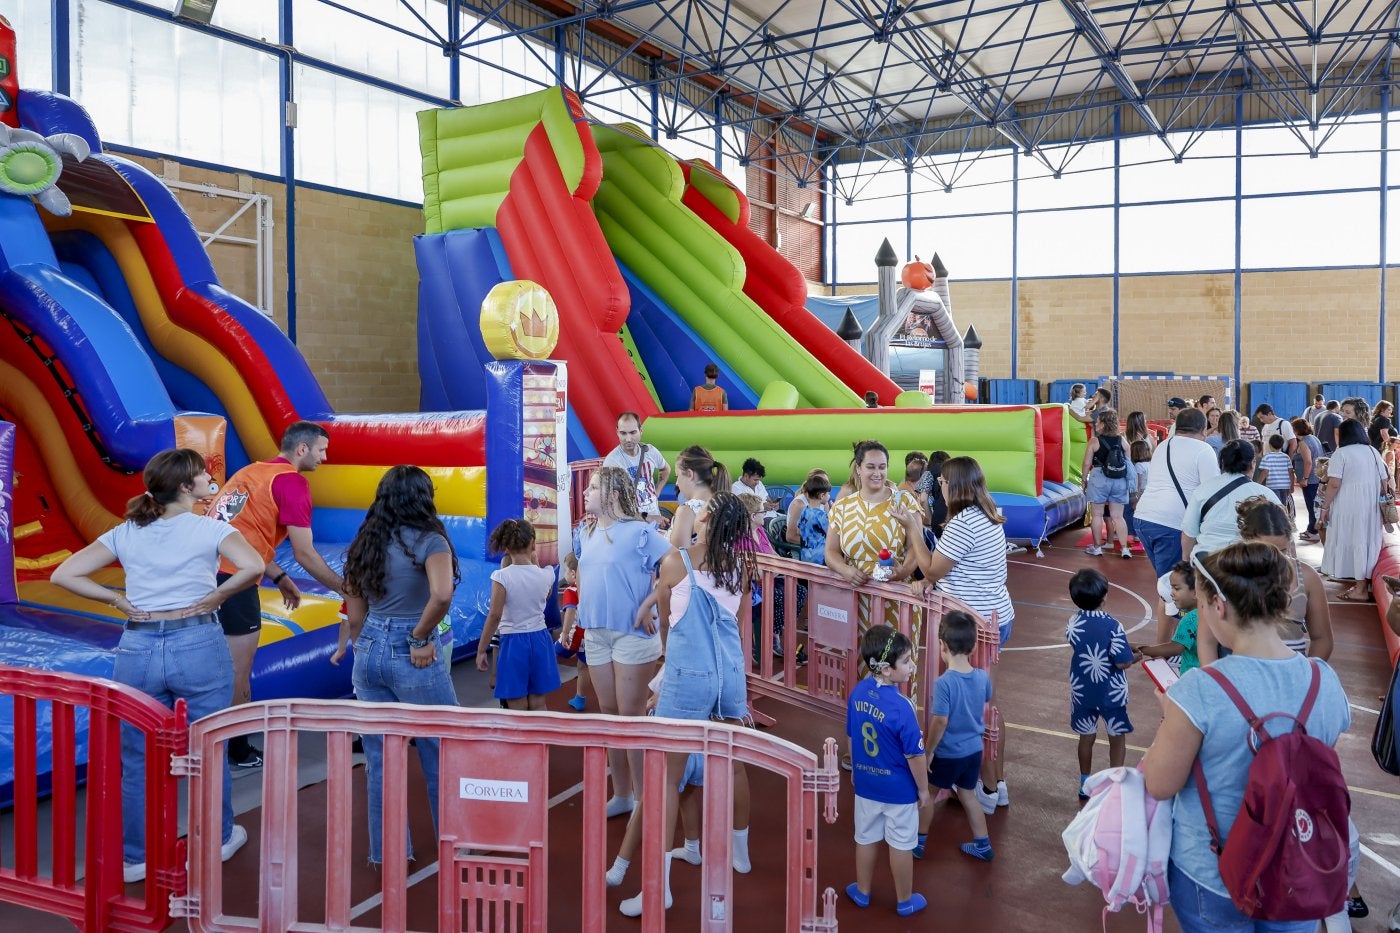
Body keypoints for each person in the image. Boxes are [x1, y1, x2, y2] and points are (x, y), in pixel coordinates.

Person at [51, 449, 263, 882]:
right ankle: (218, 838)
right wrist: (218, 597)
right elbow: (254, 566)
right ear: (186, 487)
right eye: (203, 476)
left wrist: (116, 599)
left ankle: (137, 857)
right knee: (210, 745)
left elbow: (64, 575)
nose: (209, 480)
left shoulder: (126, 532)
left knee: (138, 756)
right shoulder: (210, 528)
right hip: (198, 639)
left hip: (138, 646)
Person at [1142, 542, 1351, 933]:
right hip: (1296, 863)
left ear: (1218, 608)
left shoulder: (1199, 689)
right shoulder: (1323, 680)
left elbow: (1159, 783)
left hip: (1212, 871)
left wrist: (1168, 716)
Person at [614, 493, 753, 916]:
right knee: (734, 763)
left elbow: (666, 621)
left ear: (706, 519)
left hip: (687, 676)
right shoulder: (742, 567)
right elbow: (737, 626)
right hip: (729, 677)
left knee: (666, 779)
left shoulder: (677, 561)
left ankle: (658, 889)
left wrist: (665, 666)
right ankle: (740, 853)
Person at [332, 464, 459, 865]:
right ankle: (453, 845)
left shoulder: (366, 541)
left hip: (369, 649)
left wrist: (365, 645)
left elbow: (354, 612)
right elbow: (441, 595)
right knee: (442, 749)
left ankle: (387, 852)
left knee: (380, 759)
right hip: (412, 648)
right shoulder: (431, 540)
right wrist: (419, 637)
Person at [208, 420, 343, 770]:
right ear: (302, 449)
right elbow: (306, 553)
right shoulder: (292, 482)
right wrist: (346, 589)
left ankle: (209, 740)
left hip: (204, 573)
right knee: (239, 670)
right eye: (321, 450)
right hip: (234, 579)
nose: (324, 458)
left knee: (215, 664)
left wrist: (279, 576)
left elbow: (240, 533)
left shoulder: (250, 473)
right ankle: (236, 750)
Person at [897, 456, 1013, 810]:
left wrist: (914, 529)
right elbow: (955, 571)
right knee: (985, 701)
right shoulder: (988, 515)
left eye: (944, 482)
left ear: (955, 486)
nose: (941, 486)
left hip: (972, 624)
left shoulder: (964, 523)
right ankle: (995, 784)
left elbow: (931, 569)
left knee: (975, 707)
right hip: (995, 616)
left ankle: (987, 789)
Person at [577, 467, 673, 819]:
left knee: (631, 717)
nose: (586, 492)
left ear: (614, 494)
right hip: (597, 633)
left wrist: (650, 604)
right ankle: (622, 794)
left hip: (632, 635)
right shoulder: (586, 532)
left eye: (593, 487)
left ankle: (645, 797)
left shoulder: (640, 532)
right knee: (609, 715)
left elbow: (674, 566)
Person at [844, 625, 929, 918]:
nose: (912, 666)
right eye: (906, 661)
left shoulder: (858, 693)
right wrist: (923, 789)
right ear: (886, 669)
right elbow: (915, 755)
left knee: (865, 837)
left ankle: (862, 891)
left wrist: (856, 769)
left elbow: (852, 736)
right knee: (902, 844)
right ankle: (905, 900)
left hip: (867, 784)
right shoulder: (902, 707)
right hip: (899, 791)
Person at [915, 610, 993, 863]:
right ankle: (982, 843)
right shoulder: (982, 677)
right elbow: (987, 699)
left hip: (949, 753)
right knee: (969, 795)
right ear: (972, 648)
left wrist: (928, 752)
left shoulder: (945, 683)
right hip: (974, 751)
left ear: (942, 646)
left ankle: (918, 841)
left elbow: (940, 721)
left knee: (928, 792)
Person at [826, 441, 920, 629]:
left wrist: (903, 572)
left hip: (896, 598)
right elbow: (830, 552)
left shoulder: (905, 501)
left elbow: (916, 548)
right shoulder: (843, 507)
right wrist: (846, 571)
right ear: (858, 469)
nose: (877, 473)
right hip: (852, 596)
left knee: (895, 657)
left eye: (882, 467)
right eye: (870, 467)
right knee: (856, 656)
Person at [476, 519, 560, 711]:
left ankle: (522, 741)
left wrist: (481, 650)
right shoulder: (547, 574)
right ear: (533, 544)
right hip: (540, 639)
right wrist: (534, 558)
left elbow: (495, 615)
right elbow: (545, 595)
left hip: (513, 642)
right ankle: (540, 741)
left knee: (516, 702)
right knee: (539, 701)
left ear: (506, 547)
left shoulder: (502, 576)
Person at [1065, 569, 1134, 800]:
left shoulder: (1073, 622)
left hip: (1082, 688)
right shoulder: (1113, 625)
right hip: (1110, 691)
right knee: (1116, 735)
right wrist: (1138, 655)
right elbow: (1123, 662)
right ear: (1104, 597)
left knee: (1086, 736)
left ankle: (1085, 781)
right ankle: (1115, 781)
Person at [1131, 408, 1220, 577]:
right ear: (1203, 429)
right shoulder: (1203, 449)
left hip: (1143, 519)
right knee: (1175, 584)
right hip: (1171, 523)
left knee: (1167, 580)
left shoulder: (1163, 445)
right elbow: (1211, 490)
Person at [1321, 419, 1391, 601]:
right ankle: (1361, 584)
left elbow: (1334, 484)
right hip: (1371, 506)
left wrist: (1324, 507)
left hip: (1348, 505)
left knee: (1352, 539)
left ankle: (1360, 589)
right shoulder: (1373, 451)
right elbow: (1384, 481)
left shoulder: (1341, 453)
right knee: (1365, 541)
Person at [1180, 440, 1273, 558]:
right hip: (1249, 564)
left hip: (1207, 563)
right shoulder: (1265, 494)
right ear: (1253, 463)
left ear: (1223, 463)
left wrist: (1186, 560)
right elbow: (1282, 534)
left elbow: (1189, 532)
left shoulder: (1203, 490)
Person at [1082, 408, 1133, 558]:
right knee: (1118, 516)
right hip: (1119, 480)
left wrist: (1084, 479)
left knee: (1097, 515)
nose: (1096, 423)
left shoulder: (1094, 441)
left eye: (1098, 421)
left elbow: (1086, 463)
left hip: (1099, 477)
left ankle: (1097, 547)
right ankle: (1124, 549)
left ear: (1103, 424)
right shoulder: (1122, 440)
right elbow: (1128, 462)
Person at [602, 412, 670, 525]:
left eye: (633, 432)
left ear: (641, 431)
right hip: (630, 522)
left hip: (654, 518)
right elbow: (608, 498)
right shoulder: (612, 461)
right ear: (617, 432)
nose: (628, 439)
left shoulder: (650, 451)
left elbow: (666, 469)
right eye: (623, 433)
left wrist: (657, 491)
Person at [1135, 561, 1200, 674]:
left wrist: (1141, 649)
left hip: (1192, 677)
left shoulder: (1189, 620)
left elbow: (1175, 647)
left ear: (1195, 592)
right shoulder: (1209, 613)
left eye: (1176, 588)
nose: (1171, 593)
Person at [670, 445, 730, 547]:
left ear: (689, 474)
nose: (677, 483)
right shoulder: (725, 505)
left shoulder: (687, 511)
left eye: (678, 476)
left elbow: (678, 559)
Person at [554, 552, 589, 711]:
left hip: (576, 635)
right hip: (590, 636)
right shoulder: (590, 588)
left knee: (553, 651)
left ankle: (541, 680)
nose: (564, 575)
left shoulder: (570, 590)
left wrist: (565, 633)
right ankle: (580, 697)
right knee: (583, 666)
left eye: (565, 571)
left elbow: (570, 612)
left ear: (573, 573)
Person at [785, 469, 831, 564]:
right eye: (822, 482)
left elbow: (800, 529)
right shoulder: (799, 505)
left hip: (808, 553)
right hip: (810, 553)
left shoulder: (822, 504)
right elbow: (790, 537)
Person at [1291, 417, 1323, 541]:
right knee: (1315, 506)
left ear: (1296, 430)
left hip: (1310, 480)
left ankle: (1313, 532)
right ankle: (1312, 528)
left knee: (1312, 506)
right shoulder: (1314, 438)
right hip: (1317, 478)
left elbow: (1308, 462)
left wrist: (1305, 478)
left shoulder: (1304, 443)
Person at [914, 450, 951, 533]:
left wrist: (931, 520)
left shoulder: (928, 473)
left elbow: (923, 499)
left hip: (940, 515)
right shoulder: (954, 471)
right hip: (956, 515)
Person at [1256, 434, 1295, 510]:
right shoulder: (1286, 457)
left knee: (1275, 505)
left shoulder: (1267, 457)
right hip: (1285, 486)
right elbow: (1291, 472)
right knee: (1283, 505)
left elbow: (1265, 472)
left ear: (1270, 445)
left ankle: (1278, 520)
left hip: (1272, 485)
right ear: (1282, 445)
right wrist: (1292, 485)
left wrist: (1258, 483)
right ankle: (1284, 519)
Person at [1125, 439, 1152, 537]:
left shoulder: (1138, 465)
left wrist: (1135, 495)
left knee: (1130, 510)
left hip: (1139, 491)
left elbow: (1138, 482)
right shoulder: (1150, 463)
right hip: (1148, 490)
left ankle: (1133, 532)